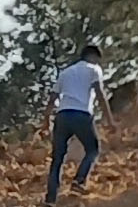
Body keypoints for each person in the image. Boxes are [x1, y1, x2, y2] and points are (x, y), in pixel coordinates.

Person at [43, 43, 106, 203]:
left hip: (62, 115)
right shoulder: (93, 69)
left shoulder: (66, 72)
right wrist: (109, 118)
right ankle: (79, 180)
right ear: (93, 56)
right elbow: (99, 93)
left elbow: (52, 98)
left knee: (57, 158)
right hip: (81, 114)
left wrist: (45, 121)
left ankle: (50, 199)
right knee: (93, 150)